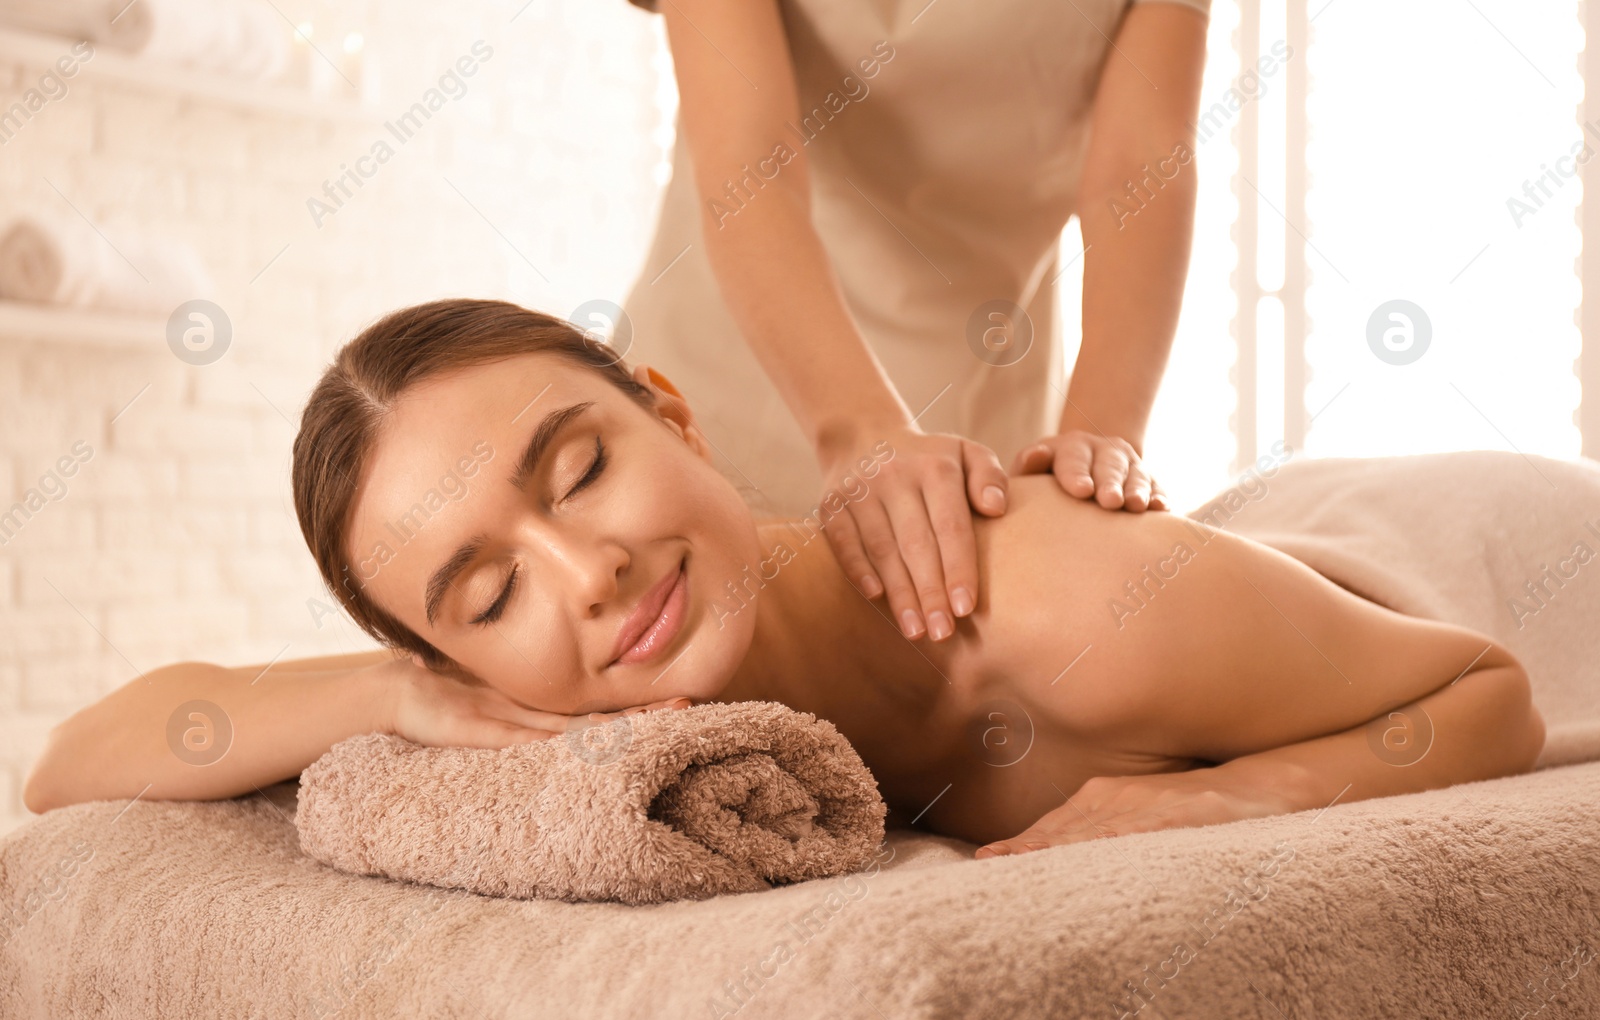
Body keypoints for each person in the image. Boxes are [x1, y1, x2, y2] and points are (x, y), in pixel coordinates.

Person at [24, 302, 1545, 857]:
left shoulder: (1066, 605)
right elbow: (69, 767)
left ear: (674, 414)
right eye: (487, 597)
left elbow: (1486, 694)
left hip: (1465, 544)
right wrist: (391, 688)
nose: (592, 566)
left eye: (581, 469)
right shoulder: (501, 711)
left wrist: (1218, 800)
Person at [613, 0, 1208, 646]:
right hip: (720, 392)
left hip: (972, 441)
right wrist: (859, 428)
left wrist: (1098, 441)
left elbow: (1142, 164)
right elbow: (754, 168)